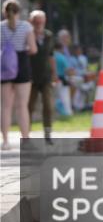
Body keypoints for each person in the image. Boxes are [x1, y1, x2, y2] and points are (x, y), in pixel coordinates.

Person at [1, 0, 37, 150]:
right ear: (19, 12)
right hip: (22, 65)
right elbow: (33, 49)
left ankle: (6, 141)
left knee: (5, 106)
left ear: (4, 12)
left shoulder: (0, 27)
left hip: (4, 68)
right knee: (22, 106)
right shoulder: (26, 26)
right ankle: (26, 140)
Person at [27, 10, 57, 145]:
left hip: (46, 76)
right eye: (36, 21)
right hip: (30, 76)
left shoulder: (49, 36)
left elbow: (51, 56)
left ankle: (47, 132)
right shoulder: (27, 35)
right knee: (29, 106)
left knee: (48, 105)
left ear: (44, 22)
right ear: (31, 22)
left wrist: (55, 74)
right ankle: (26, 134)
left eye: (40, 21)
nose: (38, 24)